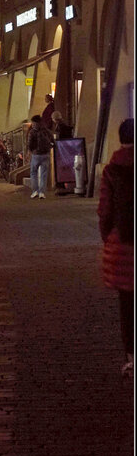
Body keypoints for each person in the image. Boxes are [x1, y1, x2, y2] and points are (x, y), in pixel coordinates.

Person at [97, 118, 133, 377]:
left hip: (124, 247)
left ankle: (132, 358)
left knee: (128, 305)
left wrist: (108, 238)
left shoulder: (111, 169)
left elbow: (104, 212)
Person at [26, 113, 54, 199]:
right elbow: (53, 141)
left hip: (36, 155)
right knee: (44, 174)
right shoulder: (46, 131)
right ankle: (42, 192)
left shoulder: (32, 132)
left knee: (33, 173)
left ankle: (35, 191)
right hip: (46, 154)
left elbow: (30, 144)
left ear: (34, 123)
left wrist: (30, 152)